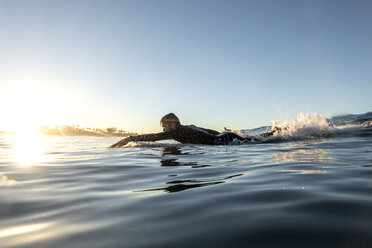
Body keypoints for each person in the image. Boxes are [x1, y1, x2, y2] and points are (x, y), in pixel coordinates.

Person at [110, 113, 279, 148]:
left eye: (165, 125)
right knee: (256, 139)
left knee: (256, 141)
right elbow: (208, 130)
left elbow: (154, 137)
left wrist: (131, 138)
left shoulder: (175, 132)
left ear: (172, 124)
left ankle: (274, 132)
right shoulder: (187, 127)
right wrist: (224, 133)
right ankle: (275, 131)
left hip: (223, 140)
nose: (163, 128)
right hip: (224, 137)